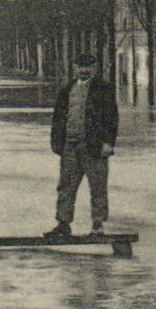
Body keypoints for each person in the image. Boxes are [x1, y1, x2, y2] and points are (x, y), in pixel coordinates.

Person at [46, 52, 119, 238]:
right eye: (81, 66)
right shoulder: (66, 90)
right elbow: (58, 119)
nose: (84, 71)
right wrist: (57, 143)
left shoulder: (103, 89)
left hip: (93, 147)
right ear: (75, 68)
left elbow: (112, 118)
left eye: (89, 67)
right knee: (65, 186)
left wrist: (108, 143)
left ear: (94, 69)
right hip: (70, 147)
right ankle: (63, 224)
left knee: (97, 186)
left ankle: (97, 224)